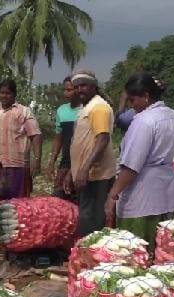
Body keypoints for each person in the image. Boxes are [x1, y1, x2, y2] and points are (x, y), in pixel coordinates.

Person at [104, 73, 174, 252]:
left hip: (142, 193)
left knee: (136, 247)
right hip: (164, 187)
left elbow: (131, 166)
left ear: (146, 96)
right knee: (160, 245)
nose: (131, 105)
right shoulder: (171, 114)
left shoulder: (144, 121)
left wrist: (112, 194)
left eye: (132, 100)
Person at [65, 70, 117, 236]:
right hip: (86, 173)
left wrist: (85, 168)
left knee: (91, 219)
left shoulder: (99, 108)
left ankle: (91, 256)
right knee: (87, 215)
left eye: (84, 86)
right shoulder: (87, 107)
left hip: (96, 175)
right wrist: (71, 171)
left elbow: (103, 139)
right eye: (77, 86)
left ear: (94, 87)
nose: (80, 90)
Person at [0, 79, 43, 202]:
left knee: (20, 204)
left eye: (8, 93)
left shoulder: (23, 111)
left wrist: (37, 159)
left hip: (18, 167)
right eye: (2, 93)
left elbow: (35, 135)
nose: (4, 96)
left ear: (14, 94)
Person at [47, 76, 82, 200]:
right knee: (59, 200)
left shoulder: (86, 110)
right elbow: (58, 138)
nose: (66, 93)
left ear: (78, 90)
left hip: (82, 163)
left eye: (70, 90)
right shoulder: (61, 111)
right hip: (65, 163)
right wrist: (52, 161)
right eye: (65, 90)